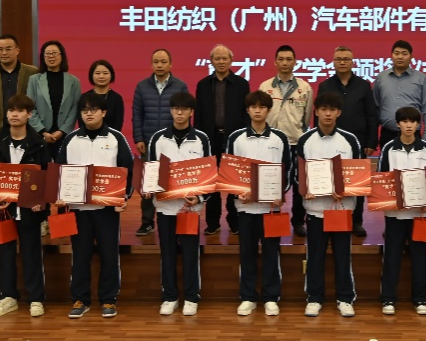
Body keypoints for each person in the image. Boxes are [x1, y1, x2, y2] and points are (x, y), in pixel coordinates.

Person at [57, 90, 134, 320]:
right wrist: (60, 195)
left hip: (107, 209)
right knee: (80, 256)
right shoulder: (71, 139)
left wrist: (124, 198)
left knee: (109, 254)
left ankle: (108, 299)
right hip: (78, 209)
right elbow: (60, 171)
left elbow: (128, 171)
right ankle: (80, 299)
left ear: (104, 112)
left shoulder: (116, 138)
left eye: (93, 110)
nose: (88, 114)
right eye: (84, 110)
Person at [296, 91, 363, 318]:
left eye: (332, 110)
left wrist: (346, 190)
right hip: (316, 210)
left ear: (339, 113)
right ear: (316, 111)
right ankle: (314, 298)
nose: (327, 114)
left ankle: (345, 298)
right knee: (315, 256)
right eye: (323, 109)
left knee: (343, 256)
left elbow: (358, 175)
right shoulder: (305, 140)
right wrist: (306, 188)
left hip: (342, 210)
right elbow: (297, 175)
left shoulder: (350, 140)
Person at [145, 91, 211, 317]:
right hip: (165, 207)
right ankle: (170, 296)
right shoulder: (158, 138)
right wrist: (149, 187)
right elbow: (151, 169)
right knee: (168, 252)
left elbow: (208, 174)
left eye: (184, 109)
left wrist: (200, 198)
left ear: (191, 112)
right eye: (175, 109)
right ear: (171, 111)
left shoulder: (201, 138)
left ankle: (191, 297)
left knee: (191, 253)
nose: (179, 113)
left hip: (189, 208)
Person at [226, 91, 292, 316]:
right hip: (245, 207)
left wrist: (280, 192)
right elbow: (230, 171)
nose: (257, 111)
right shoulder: (236, 138)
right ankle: (248, 297)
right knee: (247, 253)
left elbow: (288, 169)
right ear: (247, 110)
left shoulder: (279, 138)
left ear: (268, 110)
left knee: (272, 252)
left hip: (271, 208)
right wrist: (237, 192)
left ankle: (271, 297)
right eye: (253, 107)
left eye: (262, 107)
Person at [0, 95, 50, 318]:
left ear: (29, 115)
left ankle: (36, 298)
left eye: (20, 111)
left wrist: (42, 203)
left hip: (29, 211)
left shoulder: (39, 143)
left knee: (32, 254)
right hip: (4, 210)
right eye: (11, 110)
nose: (14, 114)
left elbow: (46, 177)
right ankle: (8, 297)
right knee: (5, 254)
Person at [378, 106, 426, 316]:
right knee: (391, 255)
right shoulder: (389, 148)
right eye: (404, 121)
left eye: (413, 121)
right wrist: (388, 200)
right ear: (398, 124)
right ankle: (388, 299)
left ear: (418, 124)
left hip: (419, 213)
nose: (409, 125)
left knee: (420, 256)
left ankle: (420, 299)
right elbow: (381, 178)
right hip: (395, 214)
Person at [316, 46, 378, 236]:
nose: (342, 62)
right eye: (338, 59)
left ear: (352, 62)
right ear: (333, 62)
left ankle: (356, 220)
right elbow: (318, 114)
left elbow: (371, 115)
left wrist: (371, 142)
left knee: (357, 183)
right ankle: (329, 216)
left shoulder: (363, 85)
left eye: (346, 59)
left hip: (358, 142)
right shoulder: (325, 85)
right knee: (330, 179)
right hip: (330, 141)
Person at [257, 45, 314, 236]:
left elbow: (306, 118)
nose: (285, 63)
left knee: (298, 184)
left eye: (289, 59)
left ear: (295, 62)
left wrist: (298, 132)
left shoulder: (305, 87)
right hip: (271, 143)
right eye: (281, 59)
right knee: (272, 182)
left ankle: (298, 221)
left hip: (296, 142)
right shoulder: (265, 87)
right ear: (275, 62)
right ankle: (271, 216)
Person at [195, 44, 251, 236]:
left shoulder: (242, 84)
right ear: (211, 61)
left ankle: (234, 221)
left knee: (234, 181)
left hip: (234, 140)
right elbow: (199, 114)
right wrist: (200, 139)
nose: (221, 62)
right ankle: (213, 222)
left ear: (231, 61)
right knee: (212, 182)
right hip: (210, 138)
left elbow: (246, 113)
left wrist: (243, 138)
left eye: (224, 58)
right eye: (217, 58)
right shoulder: (203, 85)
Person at [132, 49, 188, 237]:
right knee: (148, 183)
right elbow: (137, 114)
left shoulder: (180, 86)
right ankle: (147, 222)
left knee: (174, 181)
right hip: (148, 142)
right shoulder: (142, 86)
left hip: (172, 142)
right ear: (151, 64)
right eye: (156, 61)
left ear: (171, 64)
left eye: (163, 61)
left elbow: (185, 113)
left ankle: (178, 217)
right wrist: (139, 138)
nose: (160, 65)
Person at [0, 34, 40, 148]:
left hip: (25, 130)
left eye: (8, 49)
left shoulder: (32, 72)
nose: (4, 53)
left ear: (17, 50)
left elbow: (37, 103)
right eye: (0, 49)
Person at [374, 40, 426, 147]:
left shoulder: (421, 78)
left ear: (411, 57)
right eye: (396, 53)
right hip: (388, 134)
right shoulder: (381, 78)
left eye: (404, 53)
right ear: (391, 55)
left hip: (413, 135)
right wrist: (372, 138)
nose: (400, 57)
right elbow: (375, 109)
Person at [27, 40, 80, 153]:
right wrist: (42, 132)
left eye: (54, 53)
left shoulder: (74, 81)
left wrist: (62, 131)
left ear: (62, 56)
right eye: (47, 53)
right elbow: (30, 108)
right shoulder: (34, 80)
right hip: (39, 135)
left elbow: (75, 109)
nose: (51, 56)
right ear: (43, 57)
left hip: (64, 135)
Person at [83, 59, 125, 132]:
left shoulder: (116, 98)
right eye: (97, 73)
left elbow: (118, 125)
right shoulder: (85, 98)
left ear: (111, 75)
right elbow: (82, 123)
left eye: (105, 73)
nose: (101, 76)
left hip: (111, 137)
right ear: (91, 75)